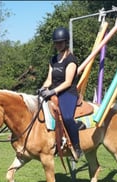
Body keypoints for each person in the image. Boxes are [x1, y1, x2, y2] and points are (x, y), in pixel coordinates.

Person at [38, 27, 82, 161]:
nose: (58, 45)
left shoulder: (71, 60)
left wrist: (52, 91)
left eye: (61, 42)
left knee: (67, 117)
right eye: (56, 43)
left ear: (66, 42)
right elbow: (49, 79)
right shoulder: (53, 59)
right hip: (54, 91)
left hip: (68, 93)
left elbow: (68, 82)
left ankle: (77, 146)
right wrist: (43, 88)